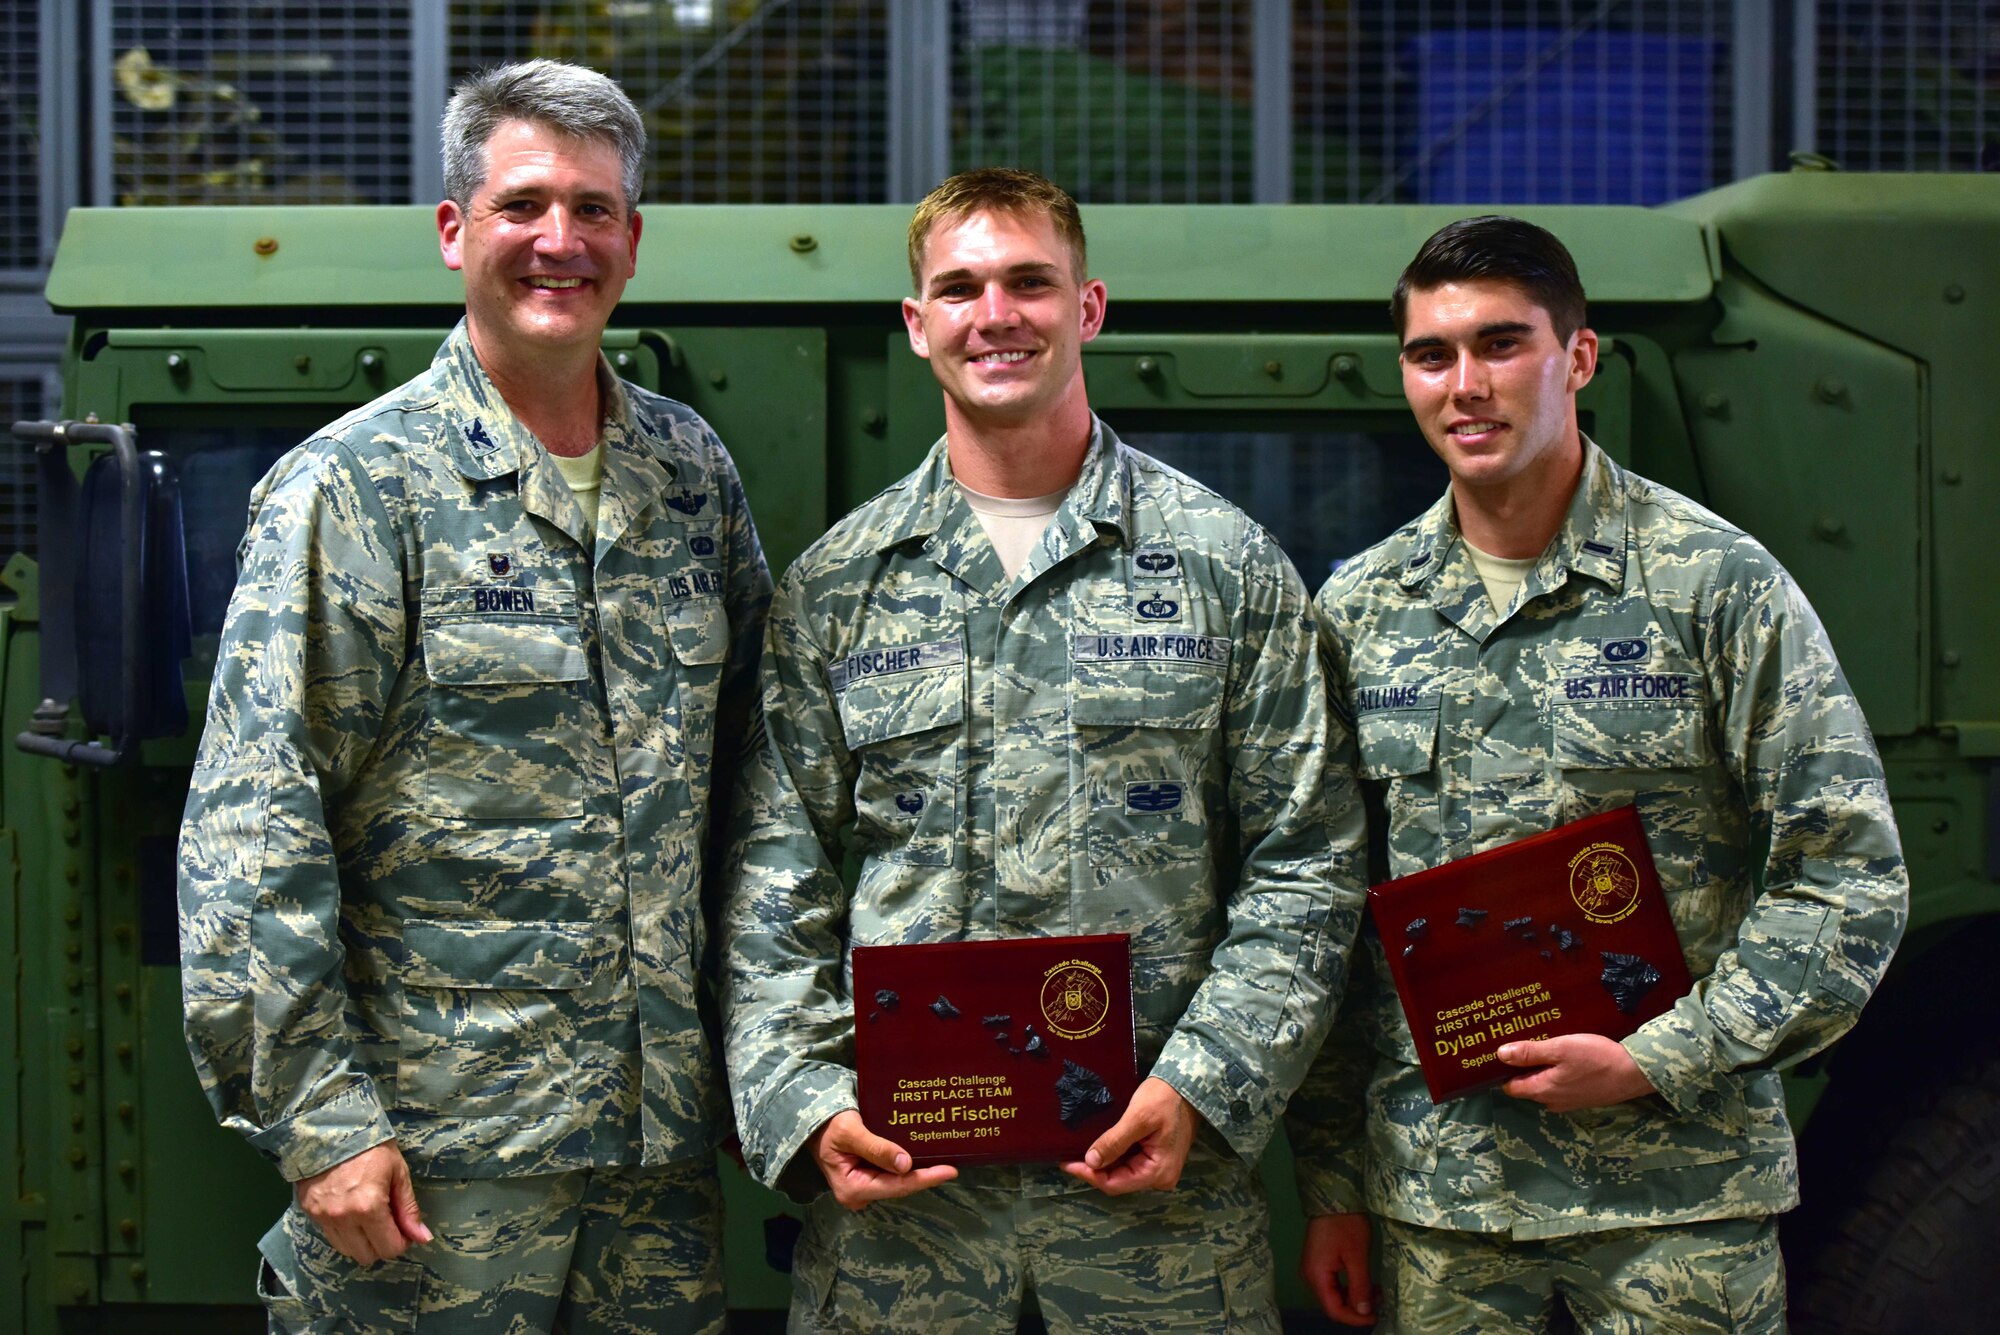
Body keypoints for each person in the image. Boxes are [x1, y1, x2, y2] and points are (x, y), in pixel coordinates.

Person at [176, 59, 769, 1334]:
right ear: (455, 230)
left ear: (632, 237)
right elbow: (251, 828)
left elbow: (750, 787)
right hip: (431, 1166)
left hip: (657, 1160)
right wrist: (320, 1125)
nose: (560, 241)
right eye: (522, 205)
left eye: (594, 209)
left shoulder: (689, 473)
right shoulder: (355, 488)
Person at [721, 167, 1364, 1333]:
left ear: (1089, 307)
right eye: (959, 288)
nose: (995, 313)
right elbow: (777, 880)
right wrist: (809, 1106)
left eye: (1029, 281)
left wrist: (1203, 1084)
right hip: (902, 1232)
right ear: (917, 327)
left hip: (1155, 1228)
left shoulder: (1224, 568)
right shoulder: (837, 590)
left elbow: (1306, 859)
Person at [1288, 215, 1909, 1333]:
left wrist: (1654, 1059)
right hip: (1445, 1211)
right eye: (1432, 355)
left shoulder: (1713, 587)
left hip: (1677, 1204)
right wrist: (1333, 1188)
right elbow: (1334, 923)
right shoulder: (1359, 615)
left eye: (1500, 344)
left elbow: (1847, 878)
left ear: (1575, 357)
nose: (1464, 385)